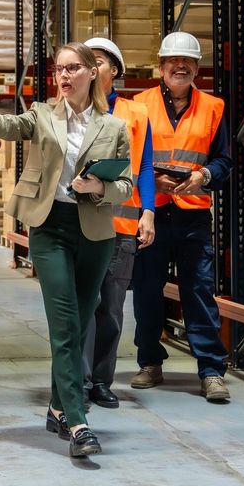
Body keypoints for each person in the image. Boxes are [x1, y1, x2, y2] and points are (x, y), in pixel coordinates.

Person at [0, 43, 132, 460]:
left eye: (72, 69)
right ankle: (78, 422)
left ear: (91, 72)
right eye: (58, 70)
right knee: (65, 323)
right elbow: (10, 126)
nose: (63, 76)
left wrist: (100, 188)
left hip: (95, 230)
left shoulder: (113, 126)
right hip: (50, 227)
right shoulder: (43, 114)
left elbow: (126, 185)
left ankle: (55, 406)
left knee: (82, 321)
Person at [132, 31, 233, 403]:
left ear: (197, 69)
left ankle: (210, 371)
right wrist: (149, 178)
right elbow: (125, 155)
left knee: (199, 292)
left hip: (192, 217)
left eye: (187, 61)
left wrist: (202, 177)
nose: (180, 66)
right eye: (173, 61)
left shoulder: (213, 108)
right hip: (151, 214)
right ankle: (149, 363)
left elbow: (224, 160)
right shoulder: (139, 105)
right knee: (146, 292)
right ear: (160, 67)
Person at [81, 37, 156, 409]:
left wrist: (149, 212)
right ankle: (77, 379)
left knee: (110, 308)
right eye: (86, 62)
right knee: (81, 305)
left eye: (99, 61)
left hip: (122, 226)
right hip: (79, 225)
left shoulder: (137, 113)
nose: (92, 68)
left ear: (115, 71)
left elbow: (144, 167)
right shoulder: (71, 109)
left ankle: (101, 380)